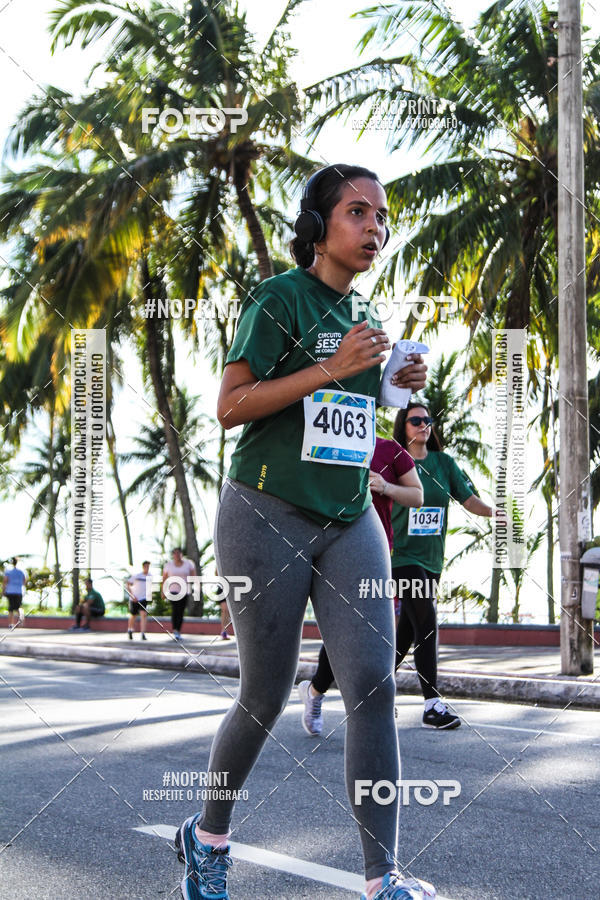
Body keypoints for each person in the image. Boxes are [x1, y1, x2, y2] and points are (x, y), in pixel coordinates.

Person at [174, 164, 435, 900]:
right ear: (318, 228)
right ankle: (208, 838)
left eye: (382, 216)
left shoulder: (366, 318)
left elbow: (348, 421)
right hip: (266, 511)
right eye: (357, 213)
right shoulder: (278, 298)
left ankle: (384, 877)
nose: (375, 229)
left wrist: (394, 385)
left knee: (375, 687)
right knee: (262, 694)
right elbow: (231, 407)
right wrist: (332, 366)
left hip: (349, 515)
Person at [297, 435, 423, 736]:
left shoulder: (390, 450)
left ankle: (320, 692)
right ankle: (318, 692)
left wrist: (385, 487)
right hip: (328, 548)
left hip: (377, 553)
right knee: (341, 628)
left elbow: (417, 496)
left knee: (372, 631)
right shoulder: (324, 439)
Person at [392, 402, 497, 730]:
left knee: (406, 636)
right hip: (400, 558)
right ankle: (432, 705)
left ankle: (373, 689)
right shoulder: (394, 460)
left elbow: (468, 500)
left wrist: (497, 513)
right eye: (415, 420)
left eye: (427, 420)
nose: (423, 424)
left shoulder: (444, 463)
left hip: (432, 560)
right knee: (427, 620)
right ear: (404, 426)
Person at [162, 547, 196, 641]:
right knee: (175, 609)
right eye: (175, 553)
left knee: (181, 611)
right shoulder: (168, 565)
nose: (177, 555)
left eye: (179, 553)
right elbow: (164, 579)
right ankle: (175, 630)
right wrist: (163, 591)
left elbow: (194, 576)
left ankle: (178, 631)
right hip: (172, 590)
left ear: (181, 554)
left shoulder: (189, 564)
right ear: (173, 555)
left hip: (184, 590)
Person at [126, 560, 152, 640]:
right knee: (133, 615)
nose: (147, 568)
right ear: (143, 567)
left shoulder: (150, 576)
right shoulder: (137, 576)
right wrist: (132, 595)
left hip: (143, 598)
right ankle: (130, 630)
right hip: (134, 598)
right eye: (145, 566)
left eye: (148, 566)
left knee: (143, 615)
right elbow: (128, 584)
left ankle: (143, 633)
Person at [3, 557, 26, 628]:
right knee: (18, 607)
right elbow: (24, 582)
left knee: (11, 608)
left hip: (10, 591)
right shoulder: (21, 572)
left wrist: (3, 591)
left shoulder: (8, 572)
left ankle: (11, 624)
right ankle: (21, 622)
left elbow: (5, 582)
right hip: (18, 591)